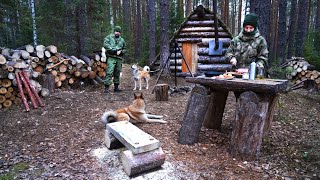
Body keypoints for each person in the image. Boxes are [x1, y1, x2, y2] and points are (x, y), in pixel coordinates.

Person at [103, 26, 126, 93]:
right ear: (114, 31)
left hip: (119, 58)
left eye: (118, 32)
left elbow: (125, 48)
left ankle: (116, 87)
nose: (117, 33)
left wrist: (122, 52)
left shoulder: (122, 40)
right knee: (109, 71)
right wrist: (113, 50)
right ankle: (106, 88)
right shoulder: (109, 37)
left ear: (120, 33)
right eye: (116, 31)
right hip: (111, 57)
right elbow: (105, 45)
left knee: (117, 72)